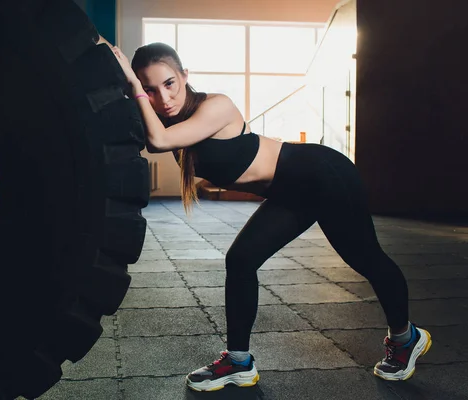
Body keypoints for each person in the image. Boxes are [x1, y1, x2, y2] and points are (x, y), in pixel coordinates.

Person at [99, 36, 432, 391]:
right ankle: (239, 363)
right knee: (241, 260)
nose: (163, 98)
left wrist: (133, 84)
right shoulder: (163, 117)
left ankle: (405, 337)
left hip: (322, 174)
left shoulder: (217, 106)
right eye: (150, 89)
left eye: (169, 83)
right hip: (290, 193)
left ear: (185, 75)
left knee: (366, 259)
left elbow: (159, 142)